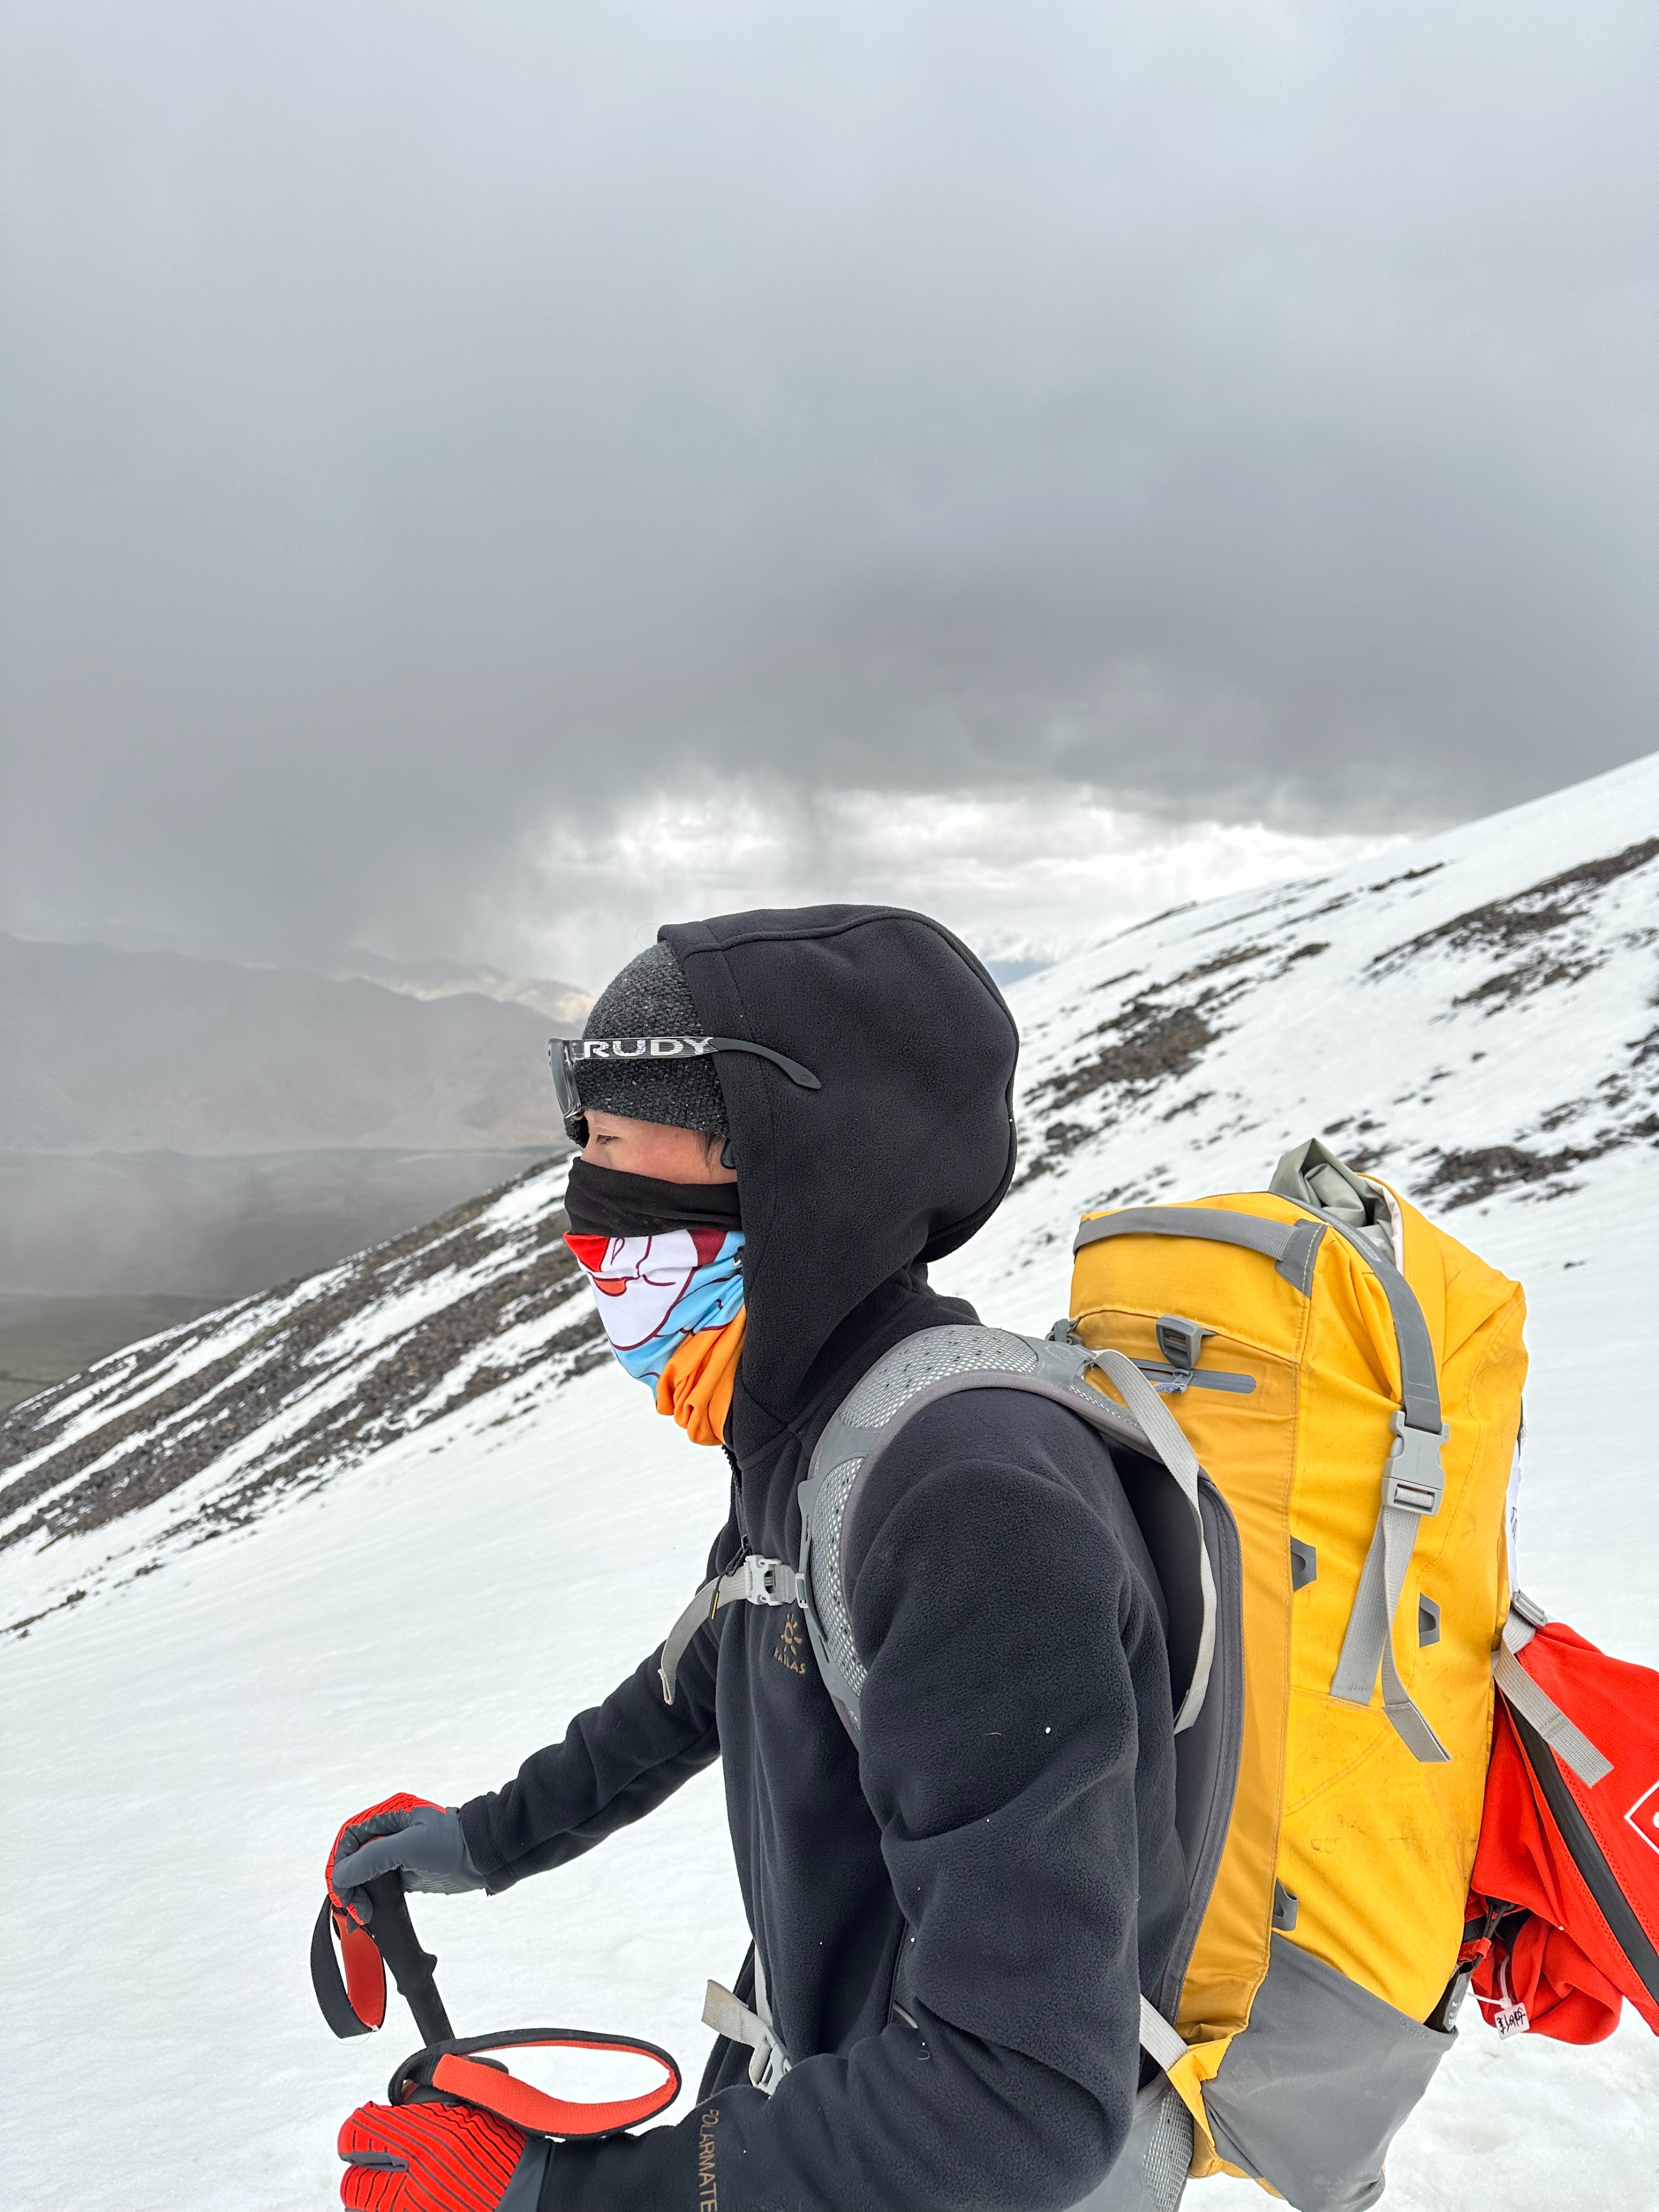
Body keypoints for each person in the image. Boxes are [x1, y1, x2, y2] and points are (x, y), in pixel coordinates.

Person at [327, 905, 1183, 2212]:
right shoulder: (825, 1430)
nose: (583, 1204)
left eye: (614, 1141)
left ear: (780, 1158)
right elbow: (719, 1656)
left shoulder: (972, 1505)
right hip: (827, 2119)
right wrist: (483, 1841)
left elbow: (1022, 2104)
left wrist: (572, 2199)